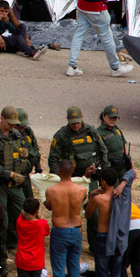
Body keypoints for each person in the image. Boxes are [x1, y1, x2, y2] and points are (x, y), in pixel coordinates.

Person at [48, 106, 109, 253]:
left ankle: (95, 247)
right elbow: (53, 159)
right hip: (71, 179)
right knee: (69, 212)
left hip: (89, 179)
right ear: (68, 120)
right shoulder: (61, 135)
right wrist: (58, 180)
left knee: (94, 213)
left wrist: (104, 172)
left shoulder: (91, 131)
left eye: (78, 122)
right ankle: (68, 243)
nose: (76, 125)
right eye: (73, 123)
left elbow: (103, 150)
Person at [0, 106, 29, 270]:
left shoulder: (16, 136)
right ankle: (0, 260)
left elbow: (23, 163)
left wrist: (25, 156)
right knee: (1, 222)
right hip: (0, 187)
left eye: (14, 124)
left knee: (23, 218)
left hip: (16, 186)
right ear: (2, 119)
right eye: (9, 123)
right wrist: (10, 175)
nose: (12, 126)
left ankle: (17, 251)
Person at [44, 159, 88, 277]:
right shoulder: (82, 190)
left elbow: (50, 207)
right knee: (74, 272)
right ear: (73, 171)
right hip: (76, 230)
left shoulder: (51, 190)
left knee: (58, 273)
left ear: (58, 172)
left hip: (59, 231)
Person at [85, 168, 127, 277]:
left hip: (103, 236)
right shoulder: (121, 196)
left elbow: (88, 214)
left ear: (103, 181)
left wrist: (92, 195)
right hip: (118, 237)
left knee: (102, 275)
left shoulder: (99, 199)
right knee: (116, 275)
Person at [15, 198, 50, 277]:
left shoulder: (19, 221)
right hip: (36, 262)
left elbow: (22, 214)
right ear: (37, 210)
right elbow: (47, 232)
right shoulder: (41, 224)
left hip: (22, 260)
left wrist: (25, 214)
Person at [15, 107, 43, 199]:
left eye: (24, 125)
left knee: (29, 202)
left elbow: (35, 149)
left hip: (26, 176)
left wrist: (38, 169)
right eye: (20, 125)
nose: (23, 127)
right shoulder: (10, 134)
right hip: (15, 177)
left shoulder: (28, 132)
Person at [97, 105, 129, 183]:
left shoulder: (117, 130)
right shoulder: (99, 133)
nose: (113, 120)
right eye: (110, 117)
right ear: (103, 116)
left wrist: (131, 167)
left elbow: (124, 147)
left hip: (122, 167)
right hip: (110, 170)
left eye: (115, 118)